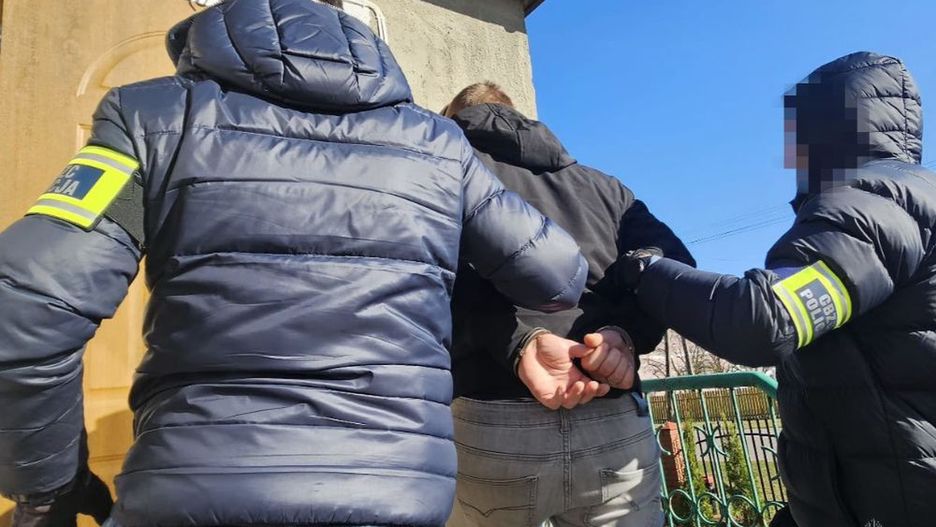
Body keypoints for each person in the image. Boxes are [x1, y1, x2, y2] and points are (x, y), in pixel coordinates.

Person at [0, 2, 592, 526]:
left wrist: (49, 490)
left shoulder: (152, 116)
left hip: (194, 487)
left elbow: (24, 308)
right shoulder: (435, 143)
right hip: (394, 490)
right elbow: (557, 277)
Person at [609, 51, 936, 527]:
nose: (788, 157)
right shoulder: (912, 198)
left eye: (797, 137)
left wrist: (644, 270)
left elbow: (763, 319)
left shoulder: (875, 202)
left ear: (832, 130)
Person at [444, 83, 694, 527]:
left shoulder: (443, 175)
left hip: (492, 423)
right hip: (612, 417)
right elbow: (672, 266)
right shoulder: (605, 188)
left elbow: (426, 278)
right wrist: (623, 335)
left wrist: (519, 342)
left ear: (453, 121)